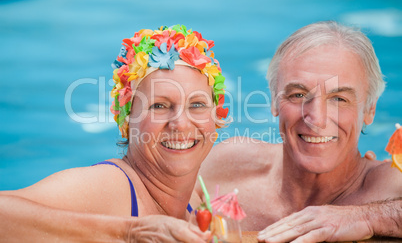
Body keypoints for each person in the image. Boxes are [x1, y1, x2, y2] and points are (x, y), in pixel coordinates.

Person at [0, 24, 229, 242]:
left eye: (197, 104)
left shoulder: (195, 202)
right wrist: (129, 233)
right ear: (127, 120)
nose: (180, 124)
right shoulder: (110, 187)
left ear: (216, 117)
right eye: (159, 106)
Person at [198, 21, 402, 242]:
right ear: (275, 101)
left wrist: (363, 216)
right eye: (298, 95)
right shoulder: (228, 169)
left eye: (339, 99)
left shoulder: (390, 187)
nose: (316, 119)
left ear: (370, 109)